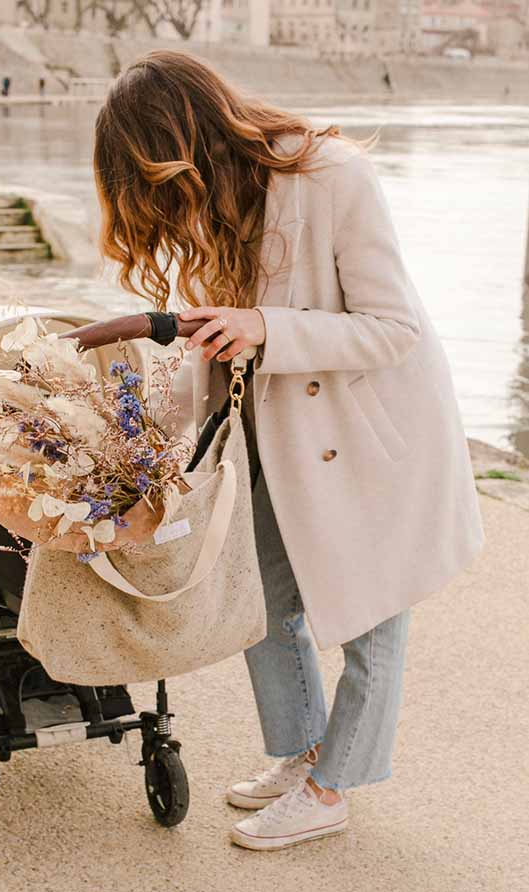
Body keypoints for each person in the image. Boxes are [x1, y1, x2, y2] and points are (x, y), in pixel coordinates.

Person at [91, 50, 485, 851]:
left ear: (185, 139)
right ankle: (304, 751)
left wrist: (264, 327)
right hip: (282, 438)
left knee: (372, 623)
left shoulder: (331, 174)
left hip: (373, 437)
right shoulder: (222, 201)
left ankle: (331, 787)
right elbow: (227, 339)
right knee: (259, 603)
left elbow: (393, 329)